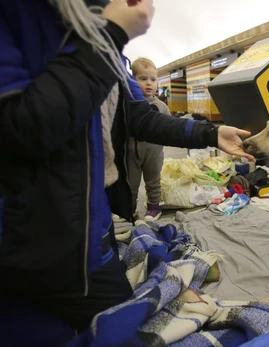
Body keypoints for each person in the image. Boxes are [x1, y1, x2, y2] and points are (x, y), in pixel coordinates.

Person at [0, 0, 254, 340]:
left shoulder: (103, 38)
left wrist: (209, 133)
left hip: (93, 230)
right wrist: (111, 34)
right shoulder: (20, 16)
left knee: (128, 329)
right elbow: (24, 131)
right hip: (33, 244)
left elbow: (141, 116)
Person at [128, 57, 168, 221]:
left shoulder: (161, 106)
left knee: (153, 181)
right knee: (130, 183)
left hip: (154, 152)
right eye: (143, 79)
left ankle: (153, 207)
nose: (149, 83)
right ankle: (129, 210)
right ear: (133, 80)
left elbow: (170, 127)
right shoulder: (128, 104)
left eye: (153, 79)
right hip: (130, 152)